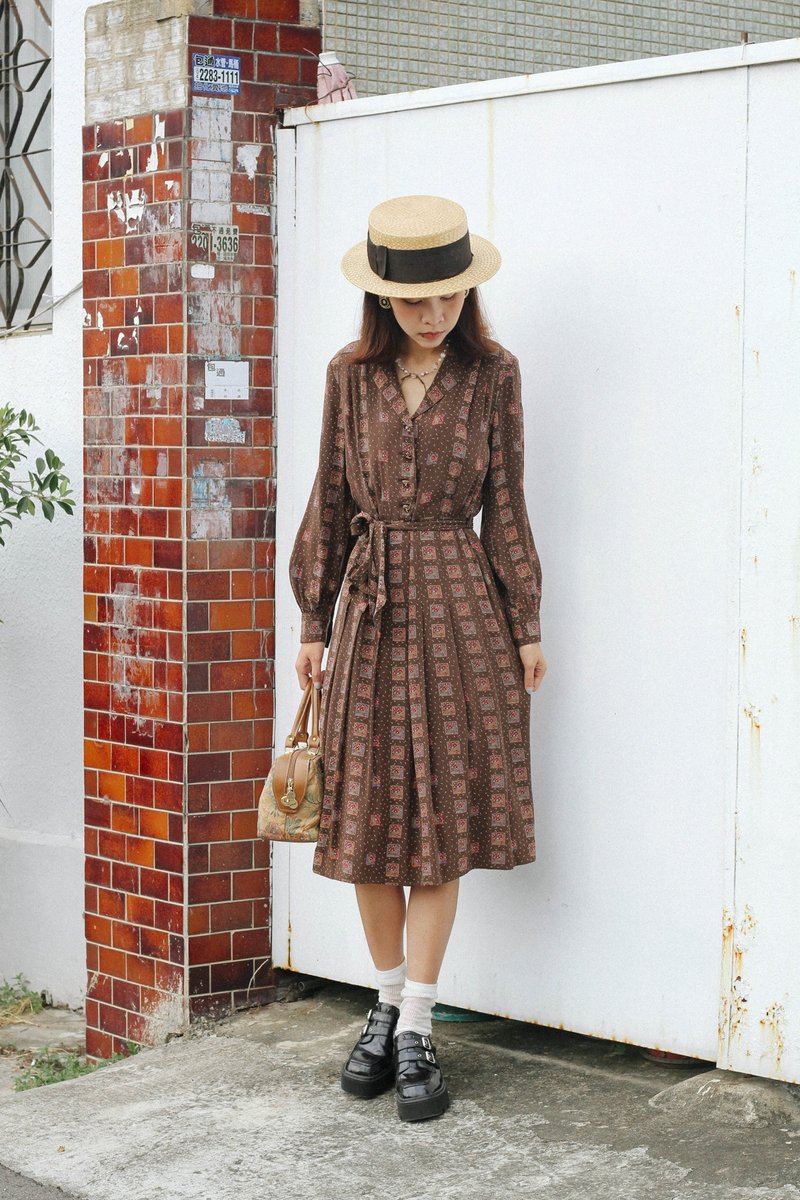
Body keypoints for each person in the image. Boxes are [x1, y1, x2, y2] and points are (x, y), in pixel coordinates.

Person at [289, 194, 547, 1122]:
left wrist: (526, 624)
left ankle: (418, 1029)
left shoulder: (494, 374)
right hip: (367, 604)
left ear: (467, 292)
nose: (434, 317)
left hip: (461, 605)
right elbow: (327, 495)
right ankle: (385, 999)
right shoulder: (348, 377)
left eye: (449, 298)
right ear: (383, 301)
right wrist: (313, 623)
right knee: (363, 820)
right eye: (415, 303)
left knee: (436, 819)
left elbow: (508, 501)